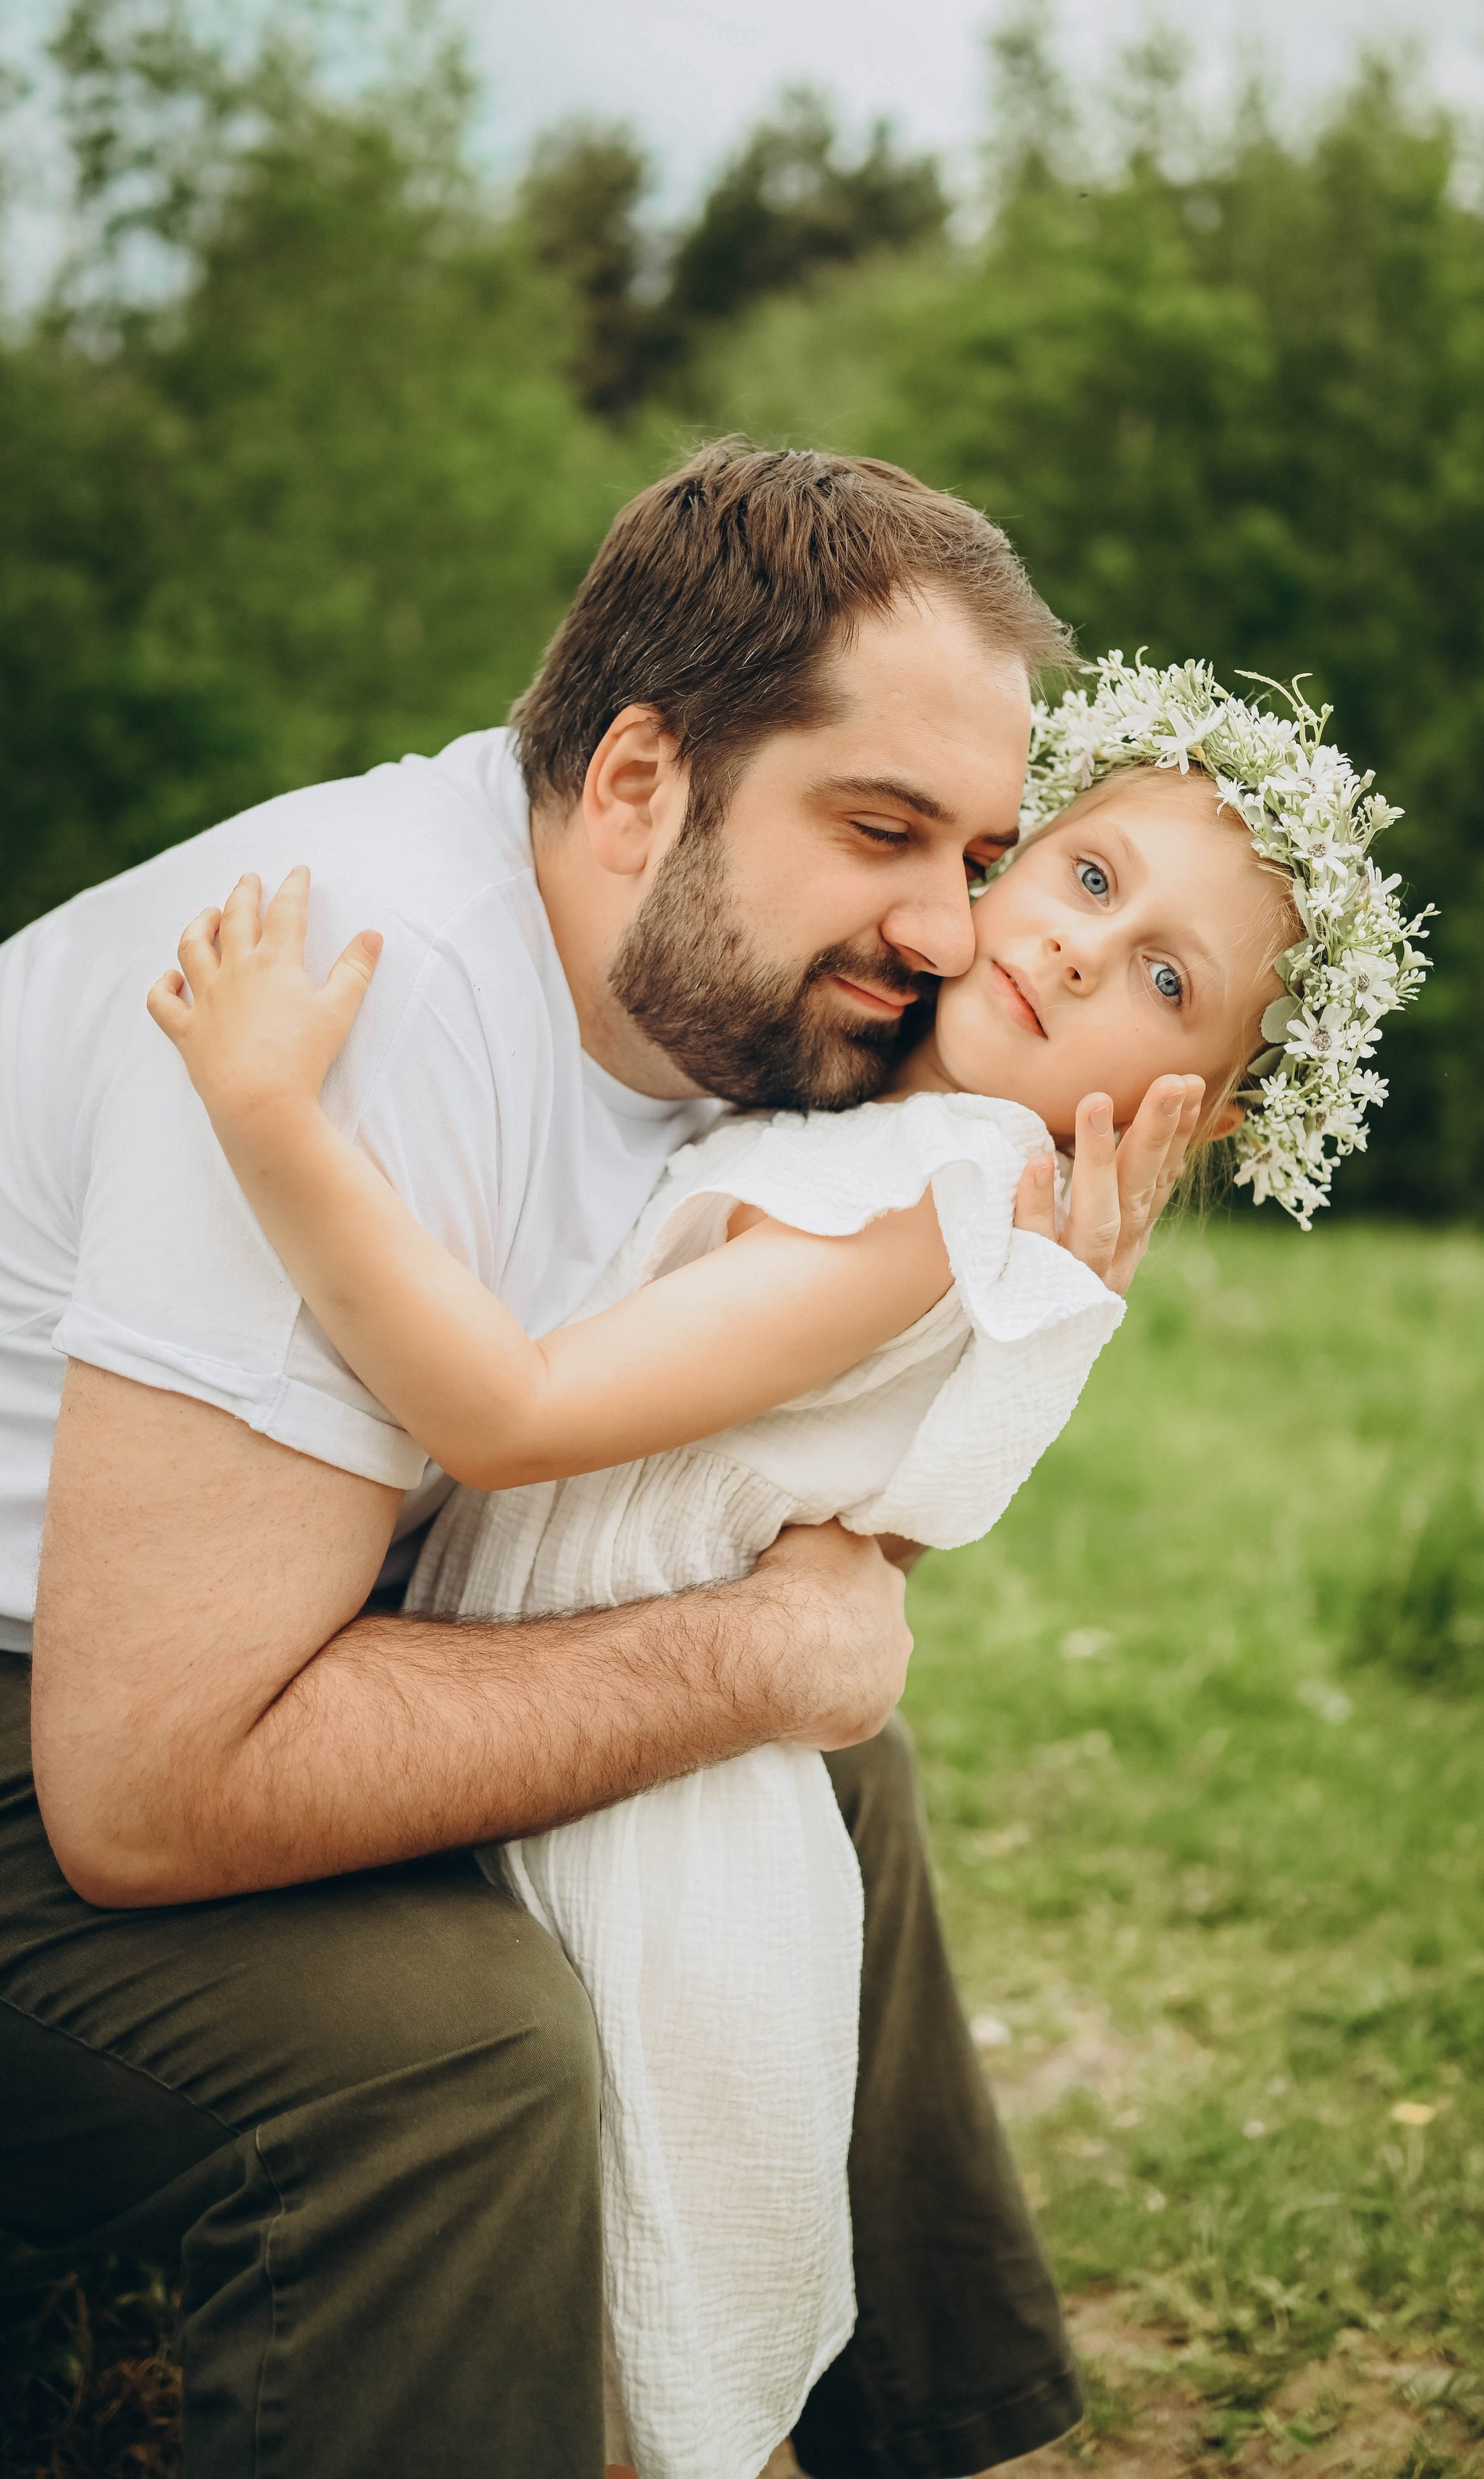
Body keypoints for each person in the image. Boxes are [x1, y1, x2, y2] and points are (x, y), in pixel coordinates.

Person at [0, 443, 1190, 2479]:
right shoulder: (371, 991)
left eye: (985, 849)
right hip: (70, 1708)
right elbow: (134, 1788)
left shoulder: (722, 985)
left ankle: (930, 2432)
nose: (950, 925)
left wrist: (1017, 1281)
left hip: (236, 1627)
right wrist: (757, 1654)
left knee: (824, 1772)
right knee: (461, 2045)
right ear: (638, 782)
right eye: (884, 830)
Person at [143, 656, 1429, 2479]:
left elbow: (512, 1410)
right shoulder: (894, 1144)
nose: (1081, 951)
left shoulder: (938, 1194)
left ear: (1197, 1112)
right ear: (1003, 851)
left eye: (1164, 976)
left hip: (638, 1824)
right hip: (610, 1731)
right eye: (1084, 876)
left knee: (627, 2345)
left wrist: (273, 1117)